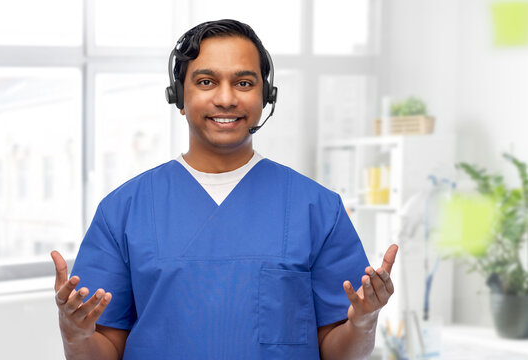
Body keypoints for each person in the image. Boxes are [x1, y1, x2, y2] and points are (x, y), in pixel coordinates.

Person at [51, 19, 398, 360]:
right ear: (179, 97)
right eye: (206, 81)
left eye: (244, 83)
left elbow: (340, 353)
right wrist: (76, 335)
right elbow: (103, 352)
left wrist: (364, 322)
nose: (226, 98)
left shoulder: (317, 209)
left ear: (266, 96)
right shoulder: (124, 211)